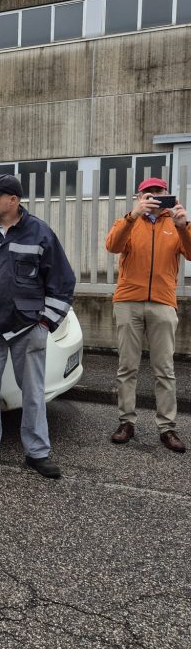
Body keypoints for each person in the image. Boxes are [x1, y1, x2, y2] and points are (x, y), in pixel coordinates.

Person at [0, 174, 75, 479]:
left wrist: (45, 323)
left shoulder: (40, 233)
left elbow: (62, 282)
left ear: (13, 200)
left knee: (33, 394)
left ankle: (37, 453)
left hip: (27, 328)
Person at [105, 177, 191, 452]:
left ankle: (167, 427)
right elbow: (113, 246)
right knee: (127, 366)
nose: (154, 197)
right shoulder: (128, 222)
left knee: (164, 369)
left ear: (167, 195)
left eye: (159, 192)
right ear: (139, 196)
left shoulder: (174, 224)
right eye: (148, 193)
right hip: (128, 301)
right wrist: (133, 216)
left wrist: (184, 226)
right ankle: (126, 422)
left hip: (163, 303)